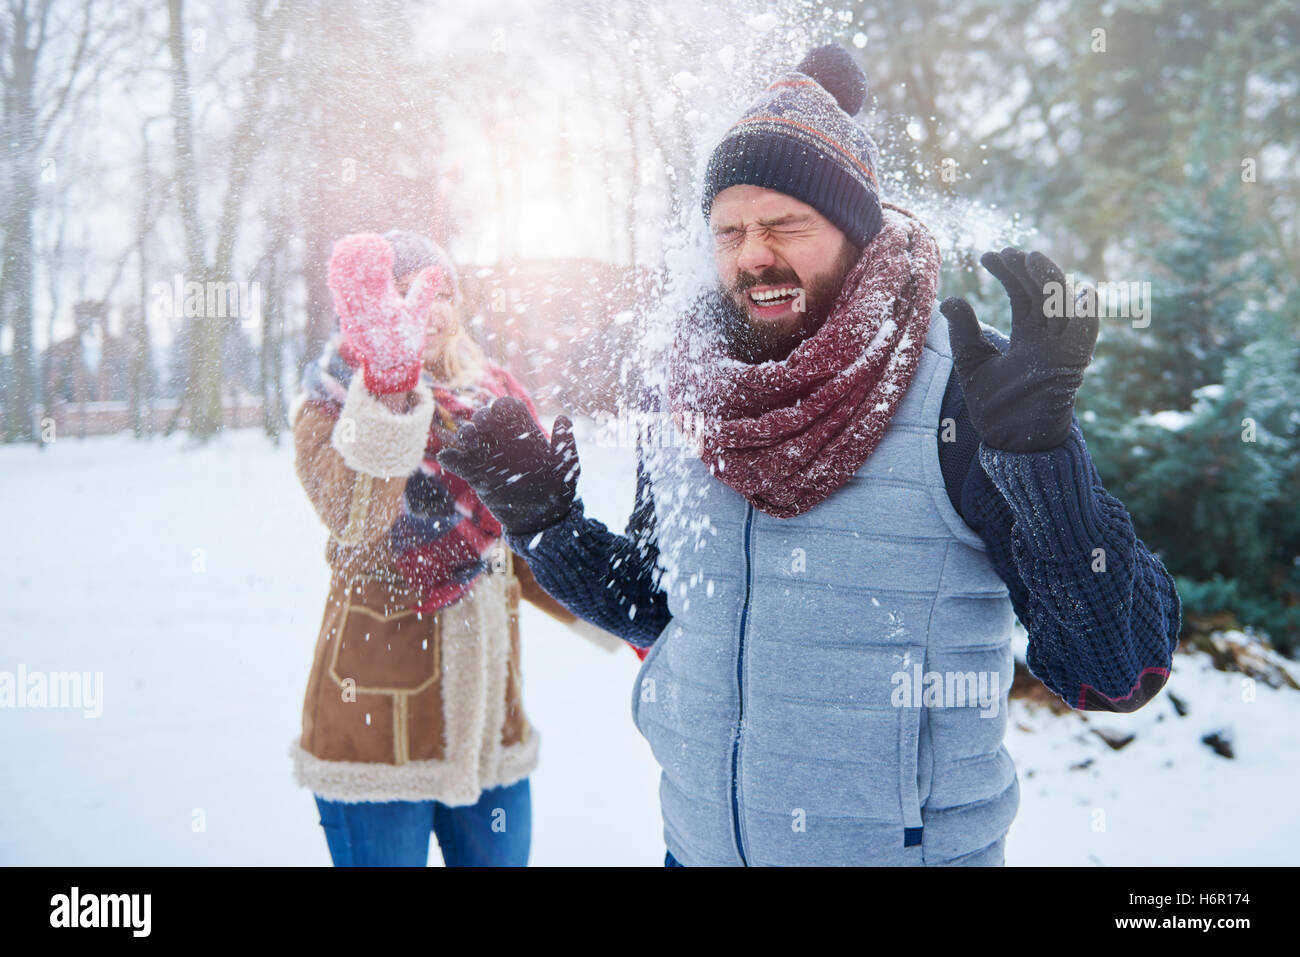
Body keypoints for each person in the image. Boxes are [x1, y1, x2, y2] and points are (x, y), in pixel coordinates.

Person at [436, 47, 1181, 866]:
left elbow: (1116, 671)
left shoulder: (967, 392)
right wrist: (545, 520)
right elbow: (661, 613)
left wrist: (1043, 460)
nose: (755, 254)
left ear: (857, 234)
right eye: (730, 230)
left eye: (786, 224)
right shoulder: (694, 396)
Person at [288, 228, 600, 866]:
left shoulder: (497, 396)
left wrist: (624, 619)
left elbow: (526, 545)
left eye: (439, 291)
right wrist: (390, 389)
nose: (424, 309)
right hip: (376, 728)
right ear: (364, 311)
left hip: (491, 724)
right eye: (401, 294)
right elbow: (355, 517)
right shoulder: (329, 406)